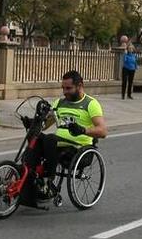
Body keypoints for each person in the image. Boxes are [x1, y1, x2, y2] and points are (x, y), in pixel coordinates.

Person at [30, 70, 108, 198]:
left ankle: (48, 180)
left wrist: (83, 130)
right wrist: (34, 123)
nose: (65, 92)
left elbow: (103, 131)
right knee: (36, 138)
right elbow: (45, 125)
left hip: (77, 148)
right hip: (56, 145)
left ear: (80, 86)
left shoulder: (90, 104)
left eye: (68, 88)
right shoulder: (59, 103)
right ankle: (24, 177)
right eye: (63, 88)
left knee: (50, 139)